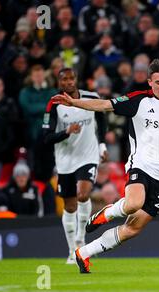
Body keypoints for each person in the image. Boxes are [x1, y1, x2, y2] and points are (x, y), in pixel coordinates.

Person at [52, 59, 159, 273]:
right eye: (158, 82)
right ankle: (107, 213)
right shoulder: (138, 101)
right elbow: (104, 105)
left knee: (132, 228)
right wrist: (74, 103)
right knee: (132, 203)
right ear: (149, 82)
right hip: (141, 165)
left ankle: (83, 253)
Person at [43, 68, 108, 264]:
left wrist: (102, 144)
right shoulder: (54, 104)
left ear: (77, 79)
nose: (69, 82)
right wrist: (67, 132)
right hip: (65, 161)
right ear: (59, 82)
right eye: (65, 79)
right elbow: (46, 137)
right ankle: (72, 249)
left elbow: (102, 119)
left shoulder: (91, 97)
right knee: (70, 207)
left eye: (72, 78)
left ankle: (81, 240)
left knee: (83, 194)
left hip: (88, 156)